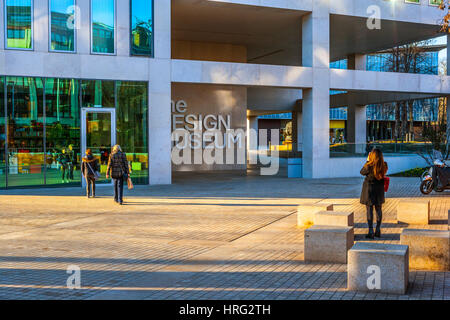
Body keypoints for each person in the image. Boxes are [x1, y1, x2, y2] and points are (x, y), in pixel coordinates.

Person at [360, 148, 388, 239]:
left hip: (369, 189)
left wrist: (368, 160)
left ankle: (371, 231)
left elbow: (362, 172)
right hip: (379, 190)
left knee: (369, 209)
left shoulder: (369, 165)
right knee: (378, 209)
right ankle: (378, 230)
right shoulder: (384, 165)